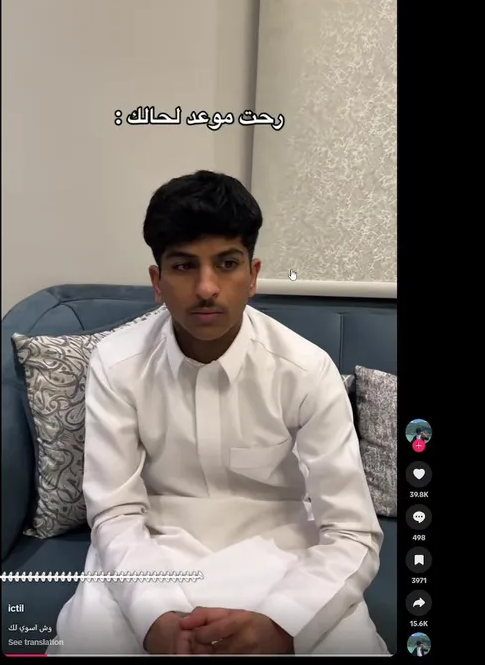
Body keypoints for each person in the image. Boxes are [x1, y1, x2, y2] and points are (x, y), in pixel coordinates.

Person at [50, 171, 385, 655]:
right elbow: (115, 511)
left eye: (227, 263)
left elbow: (351, 530)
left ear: (253, 276)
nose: (207, 287)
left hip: (287, 557)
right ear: (157, 282)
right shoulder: (117, 363)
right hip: (149, 555)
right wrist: (154, 617)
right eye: (184, 266)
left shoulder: (306, 370)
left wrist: (283, 625)